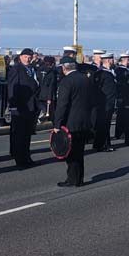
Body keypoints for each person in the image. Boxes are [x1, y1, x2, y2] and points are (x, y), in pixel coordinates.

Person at [52, 57, 92, 186]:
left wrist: (57, 124)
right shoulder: (85, 79)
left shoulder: (66, 81)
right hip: (84, 120)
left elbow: (62, 104)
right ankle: (79, 178)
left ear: (64, 68)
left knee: (70, 153)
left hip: (70, 122)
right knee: (79, 152)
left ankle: (72, 179)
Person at [8, 47, 40, 168]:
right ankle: (20, 159)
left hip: (31, 106)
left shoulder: (31, 69)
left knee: (27, 134)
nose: (28, 59)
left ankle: (26, 157)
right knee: (19, 135)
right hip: (20, 106)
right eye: (26, 56)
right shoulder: (16, 69)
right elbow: (12, 87)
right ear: (20, 57)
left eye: (30, 57)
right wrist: (13, 105)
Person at [93, 52, 118, 151]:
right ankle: (104, 144)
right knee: (103, 124)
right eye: (112, 59)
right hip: (104, 102)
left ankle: (100, 144)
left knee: (105, 124)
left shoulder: (110, 72)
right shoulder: (101, 73)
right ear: (108, 60)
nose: (113, 61)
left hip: (109, 101)